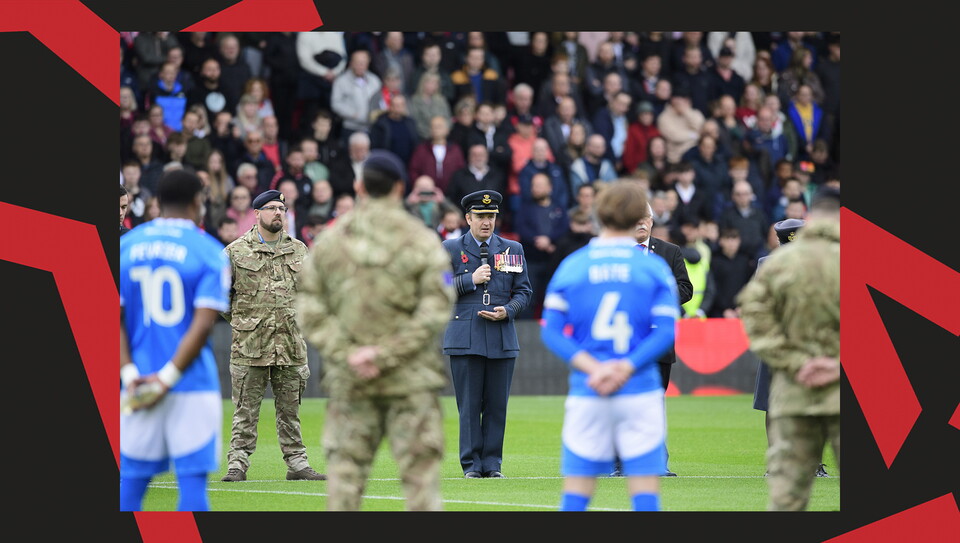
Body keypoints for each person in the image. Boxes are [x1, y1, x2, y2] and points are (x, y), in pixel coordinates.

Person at [295, 151, 455, 511]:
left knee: (345, 486)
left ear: (358, 186)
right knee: (421, 490)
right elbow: (437, 307)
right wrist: (386, 354)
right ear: (401, 188)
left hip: (351, 378)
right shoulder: (422, 240)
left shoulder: (330, 242)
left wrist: (349, 352)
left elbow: (307, 307)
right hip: (410, 380)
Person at [540, 180, 680, 511]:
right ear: (638, 217)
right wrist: (627, 367)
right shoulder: (653, 266)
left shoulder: (574, 264)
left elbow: (552, 331)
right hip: (640, 387)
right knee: (646, 495)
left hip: (590, 387)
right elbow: (666, 332)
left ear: (599, 214)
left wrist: (596, 368)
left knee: (575, 495)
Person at [119, 169, 231, 511]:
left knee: (131, 485)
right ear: (198, 202)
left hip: (137, 381)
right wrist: (168, 378)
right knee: (193, 486)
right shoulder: (209, 250)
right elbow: (202, 324)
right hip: (191, 383)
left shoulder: (126, 245)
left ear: (156, 203)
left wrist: (127, 373)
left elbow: (112, 318)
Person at [737, 187, 840, 511]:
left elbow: (752, 314)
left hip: (792, 377)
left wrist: (794, 361)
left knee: (787, 497)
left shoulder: (776, 264)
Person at [220, 189, 326, 483]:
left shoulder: (299, 250)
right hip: (249, 347)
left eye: (282, 207)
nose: (278, 212)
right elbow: (220, 298)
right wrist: (245, 321)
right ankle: (237, 465)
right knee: (245, 412)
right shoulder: (235, 251)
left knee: (290, 412)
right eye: (270, 208)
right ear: (256, 214)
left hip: (290, 345)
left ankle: (298, 464)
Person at [442, 190, 532, 478]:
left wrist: (509, 310)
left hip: (501, 334)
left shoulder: (512, 248)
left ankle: (493, 465)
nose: (486, 222)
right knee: (469, 407)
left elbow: (523, 290)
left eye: (491, 216)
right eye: (480, 216)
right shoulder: (450, 249)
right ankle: (471, 466)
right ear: (468, 218)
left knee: (496, 406)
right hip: (464, 335)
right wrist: (470, 279)